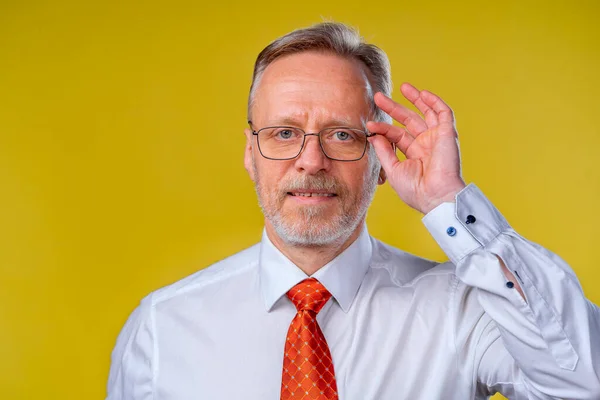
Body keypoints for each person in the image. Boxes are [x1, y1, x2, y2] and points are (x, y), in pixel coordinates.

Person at [106, 22, 600, 400]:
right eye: (283, 133)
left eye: (342, 134)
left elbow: (583, 383)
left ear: (383, 160)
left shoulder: (463, 310)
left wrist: (448, 201)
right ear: (249, 154)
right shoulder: (162, 327)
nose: (311, 161)